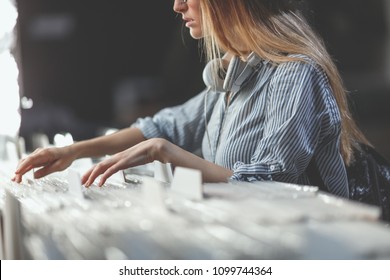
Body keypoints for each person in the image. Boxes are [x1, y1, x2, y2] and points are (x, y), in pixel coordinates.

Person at [12, 0, 370, 198]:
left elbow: (272, 185)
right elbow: (161, 126)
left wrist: (164, 151)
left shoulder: (296, 74)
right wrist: (71, 152)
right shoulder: (232, 79)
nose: (177, 5)